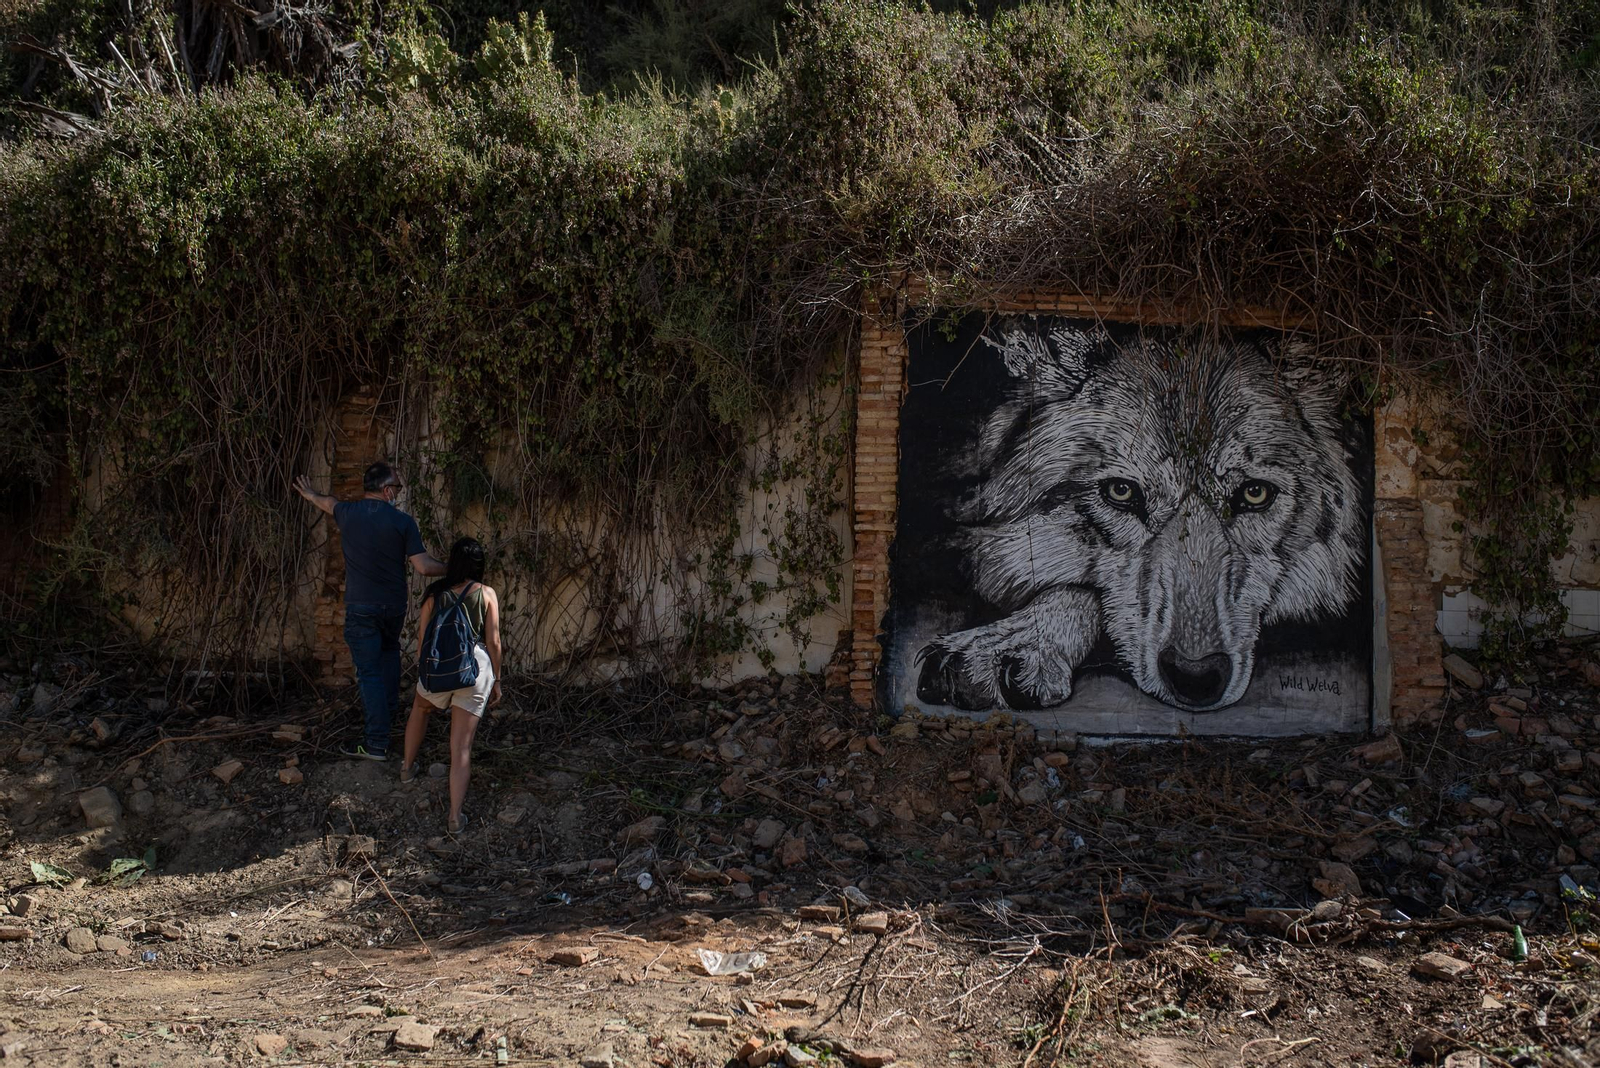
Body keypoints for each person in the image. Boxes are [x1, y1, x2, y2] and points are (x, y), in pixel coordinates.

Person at [294, 462, 445, 760]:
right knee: (388, 655)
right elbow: (425, 567)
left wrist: (310, 494)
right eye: (397, 488)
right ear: (387, 490)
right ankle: (387, 717)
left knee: (369, 672)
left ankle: (376, 742)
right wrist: (456, 569)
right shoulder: (403, 522)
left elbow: (328, 503)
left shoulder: (348, 514)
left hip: (362, 607)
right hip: (393, 607)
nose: (398, 493)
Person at [400, 537, 502, 835]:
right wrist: (497, 679)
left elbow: (421, 644)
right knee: (461, 747)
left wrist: (428, 676)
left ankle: (406, 769)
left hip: (438, 667)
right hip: (474, 671)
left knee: (420, 708)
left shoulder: (434, 594)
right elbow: (494, 642)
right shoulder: (486, 594)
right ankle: (455, 818)